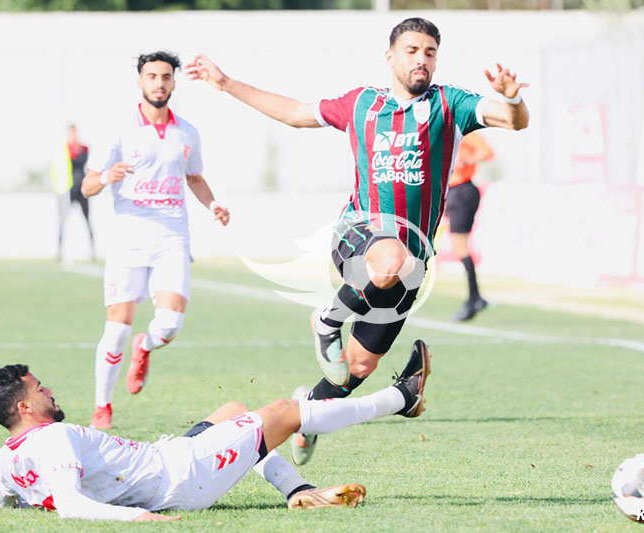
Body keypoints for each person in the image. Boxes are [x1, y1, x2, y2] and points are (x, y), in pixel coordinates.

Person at [185, 17, 529, 465]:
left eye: (429, 52)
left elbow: (513, 121)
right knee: (390, 259)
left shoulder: (449, 104)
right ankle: (326, 320)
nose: (421, 59)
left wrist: (512, 96)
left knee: (358, 367)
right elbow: (294, 113)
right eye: (411, 50)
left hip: (412, 260)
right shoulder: (361, 104)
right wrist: (226, 83)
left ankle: (306, 411)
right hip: (360, 236)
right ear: (390, 56)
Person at [0, 353, 428, 520]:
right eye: (40, 389)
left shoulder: (8, 458)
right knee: (285, 412)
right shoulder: (53, 439)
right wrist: (139, 519)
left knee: (234, 410)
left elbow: (3, 502)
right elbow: (72, 505)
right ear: (23, 407)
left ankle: (298, 490)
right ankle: (398, 399)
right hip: (180, 476)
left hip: (169, 459)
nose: (49, 391)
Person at [81, 51, 231, 430]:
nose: (159, 83)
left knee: (169, 325)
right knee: (116, 329)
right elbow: (87, 185)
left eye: (166, 76)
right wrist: (106, 177)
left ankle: (145, 346)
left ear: (174, 83)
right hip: (128, 241)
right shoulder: (119, 129)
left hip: (172, 239)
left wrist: (213, 204)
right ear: (140, 82)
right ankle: (102, 407)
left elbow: (194, 177)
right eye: (152, 76)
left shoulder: (188, 133)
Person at [445, 132, 494, 321]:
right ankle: (475, 297)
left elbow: (487, 152)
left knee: (461, 246)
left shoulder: (464, 132)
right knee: (459, 247)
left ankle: (474, 297)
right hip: (452, 191)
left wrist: (464, 160)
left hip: (462, 189)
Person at [51, 124, 95, 261]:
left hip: (82, 188)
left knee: (88, 220)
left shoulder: (84, 148)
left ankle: (93, 252)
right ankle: (59, 252)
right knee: (62, 221)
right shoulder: (64, 150)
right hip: (68, 189)